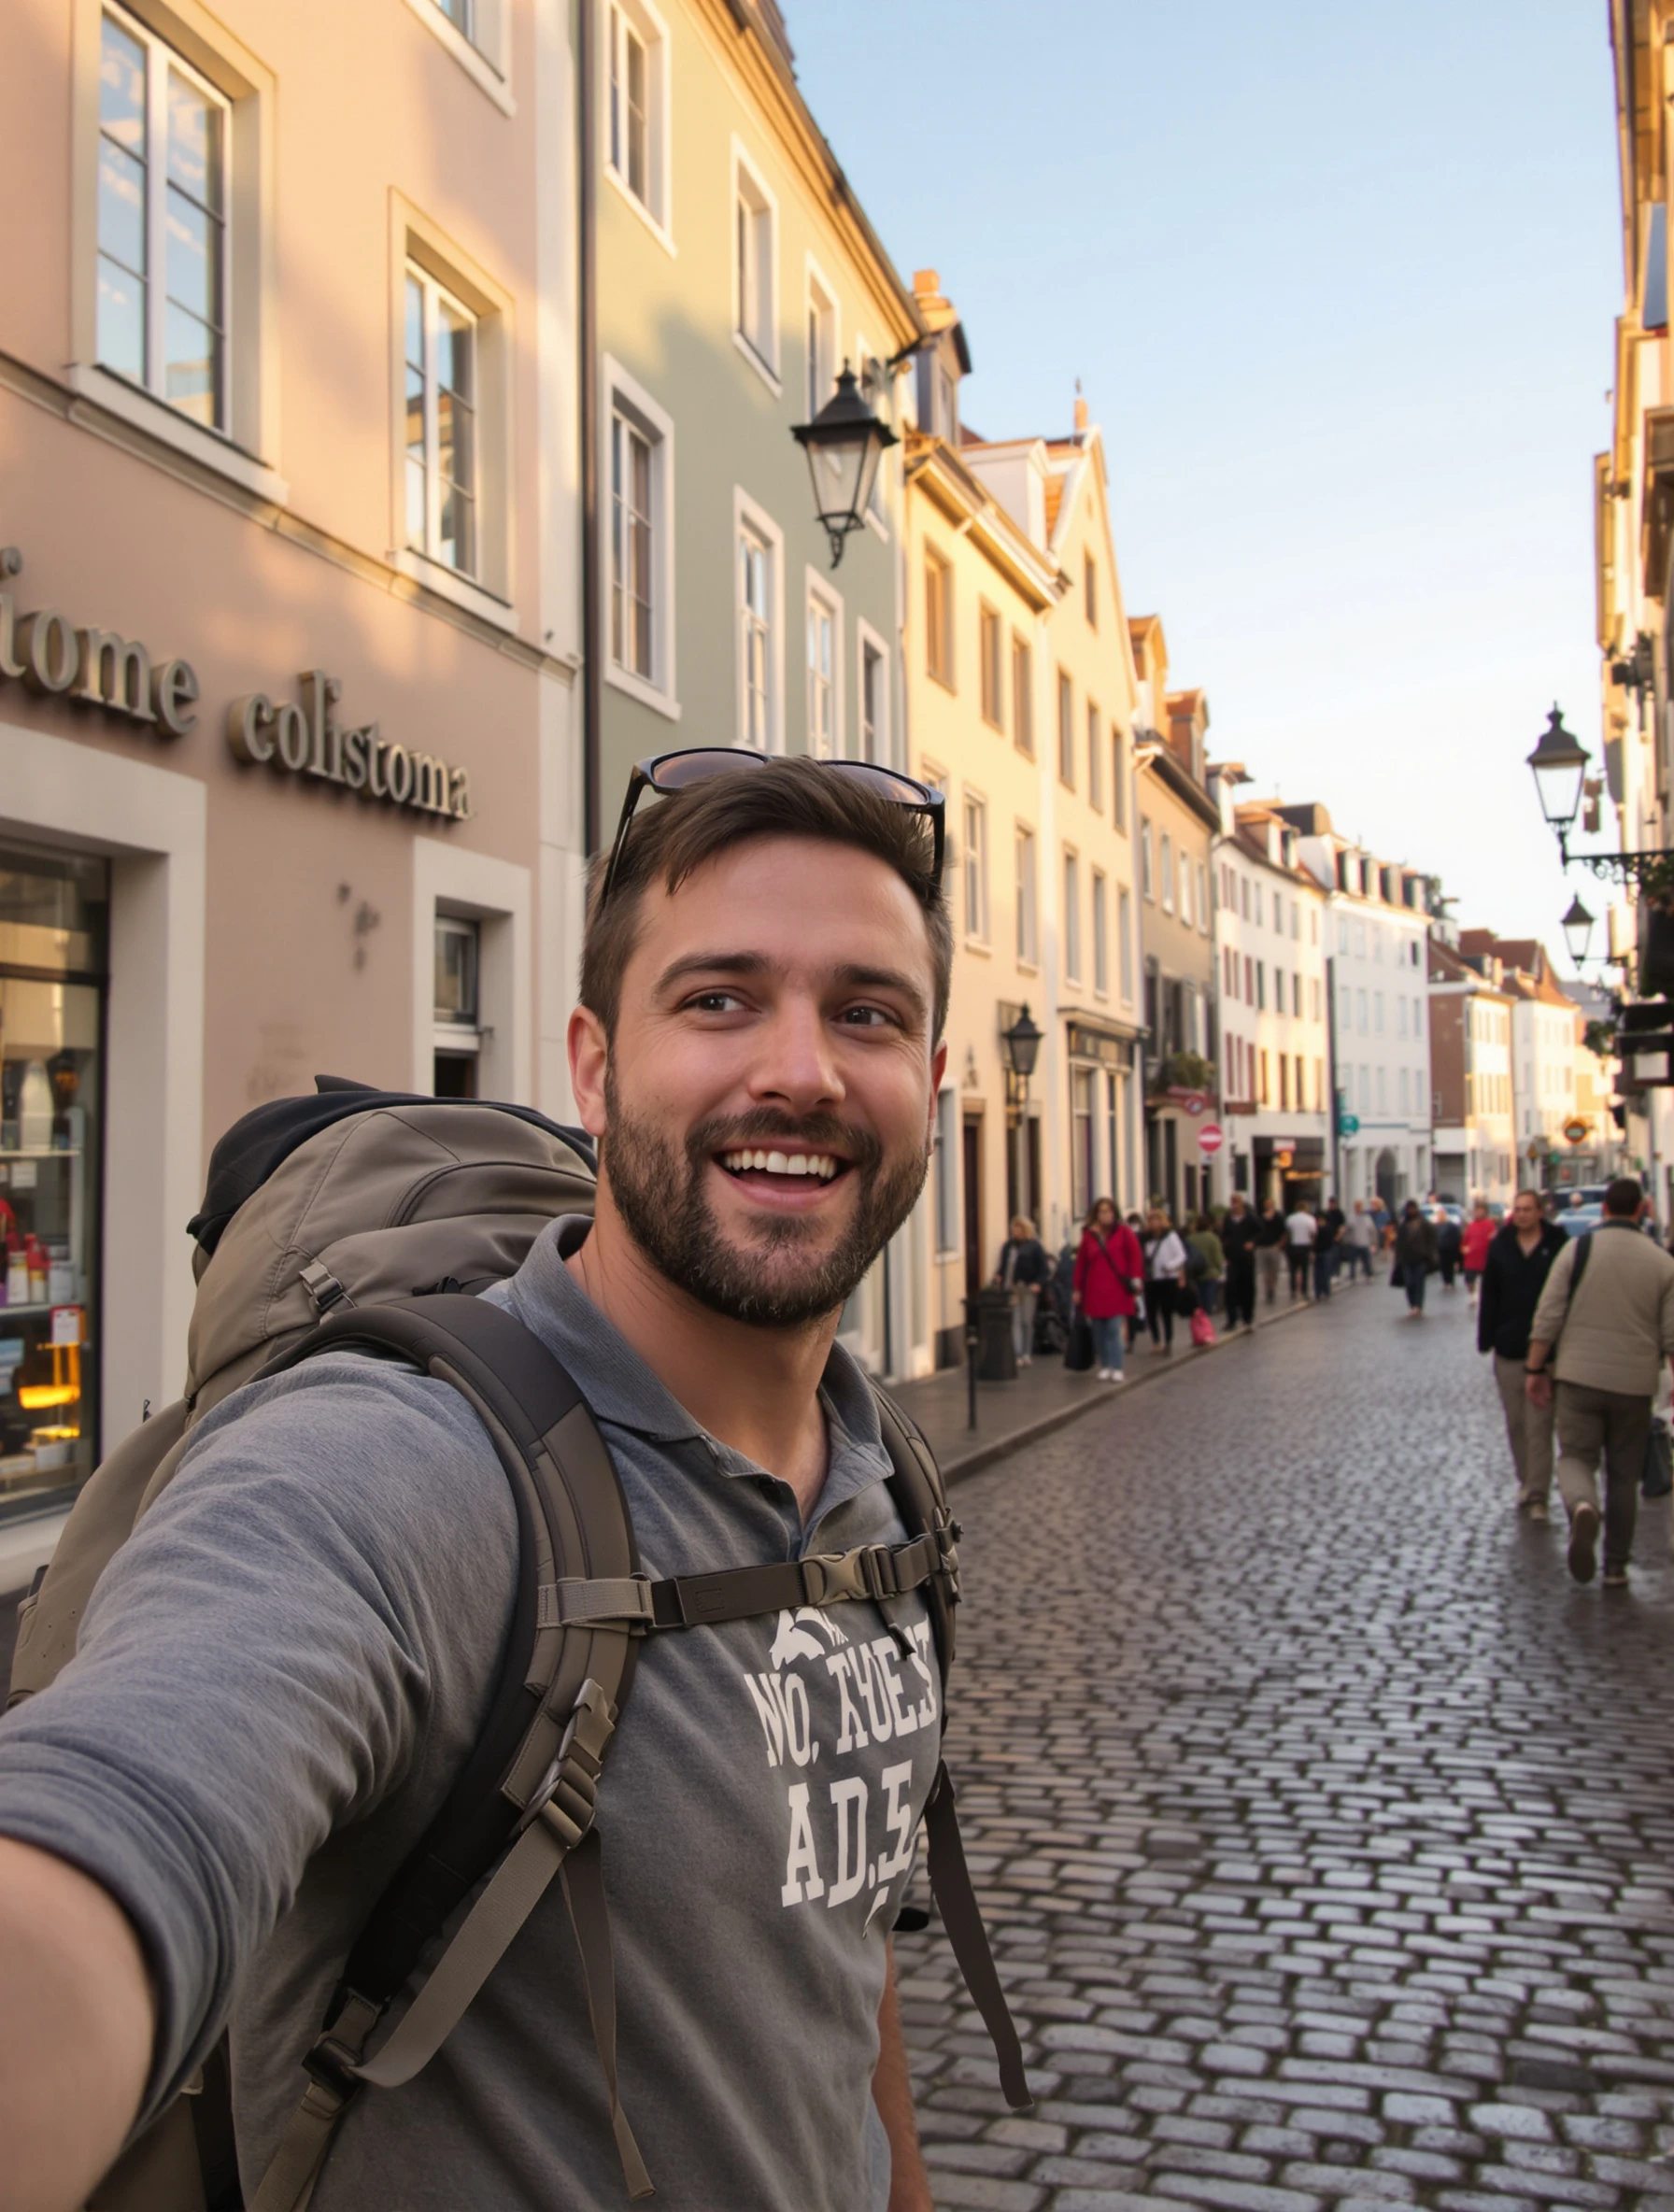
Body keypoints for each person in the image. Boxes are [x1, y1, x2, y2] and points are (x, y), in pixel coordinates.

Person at [0, 757, 955, 2212]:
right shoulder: (407, 1466)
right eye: (718, 1000)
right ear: (591, 1064)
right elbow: (128, 1807)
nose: (802, 1071)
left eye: (867, 1014)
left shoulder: (884, 1488)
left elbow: (837, 1938)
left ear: (933, 1083)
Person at [1527, 1175, 1674, 1589]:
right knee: (1626, 1476)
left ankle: (1584, 1506)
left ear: (1604, 1209)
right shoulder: (1663, 1263)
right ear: (1641, 1211)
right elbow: (1672, 1336)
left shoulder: (1577, 1250)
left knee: (1574, 1456)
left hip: (1578, 1377)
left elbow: (1548, 1315)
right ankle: (1615, 1567)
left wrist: (1536, 1370)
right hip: (1634, 1384)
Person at [1477, 1189, 1568, 1522]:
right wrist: (1486, 1338)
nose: (1522, 1215)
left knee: (1540, 1424)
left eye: (1528, 1209)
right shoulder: (1501, 1247)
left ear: (1541, 1212)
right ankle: (1526, 1481)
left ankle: (1537, 1495)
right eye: (1517, 1209)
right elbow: (1490, 1295)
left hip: (1548, 1351)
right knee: (1516, 1422)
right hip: (1510, 1347)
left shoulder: (1557, 1246)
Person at [1071, 1197, 1143, 1382]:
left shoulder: (1124, 1233)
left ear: (1114, 1213)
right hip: (1094, 1289)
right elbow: (1081, 1263)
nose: (1105, 1215)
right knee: (1099, 1332)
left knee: (1113, 1330)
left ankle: (1117, 1366)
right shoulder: (1089, 1236)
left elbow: (1135, 1256)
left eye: (1108, 1211)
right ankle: (1105, 1365)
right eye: (1101, 1212)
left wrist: (1136, 1279)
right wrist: (1077, 1288)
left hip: (1117, 1289)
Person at [994, 1214, 1050, 1368]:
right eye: (1014, 1228)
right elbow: (1003, 1265)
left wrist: (1038, 1283)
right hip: (1012, 1288)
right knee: (1016, 1320)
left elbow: (1043, 1269)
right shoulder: (1009, 1246)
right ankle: (1017, 1353)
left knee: (1027, 1321)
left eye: (1019, 1228)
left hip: (1027, 1288)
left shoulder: (1034, 1246)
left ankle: (1027, 1352)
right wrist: (999, 1276)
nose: (1016, 1231)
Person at [1142, 1208, 1189, 1354]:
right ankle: (1156, 1341)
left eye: (1156, 1220)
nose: (1153, 1224)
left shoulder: (1170, 1237)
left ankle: (1168, 1341)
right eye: (1150, 1221)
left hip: (1167, 1279)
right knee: (1151, 1312)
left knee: (1166, 1312)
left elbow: (1181, 1256)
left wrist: (1170, 1266)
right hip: (1151, 1279)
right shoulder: (1146, 1239)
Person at [1220, 1193, 1260, 1330]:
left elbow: (1260, 1233)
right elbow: (1224, 1235)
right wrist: (1225, 1249)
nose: (1234, 1206)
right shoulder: (1228, 1219)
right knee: (1230, 1288)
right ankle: (1231, 1319)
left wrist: (1252, 1242)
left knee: (1247, 1288)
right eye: (1233, 1203)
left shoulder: (1250, 1219)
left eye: (1237, 1203)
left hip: (1247, 1259)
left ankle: (1247, 1317)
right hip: (1232, 1258)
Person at [1393, 1198, 1438, 1315]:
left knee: (1419, 1283)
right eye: (1409, 1209)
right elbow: (1399, 1243)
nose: (1411, 1211)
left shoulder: (1424, 1224)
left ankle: (1418, 1305)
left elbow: (1432, 1239)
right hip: (1406, 1259)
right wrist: (1397, 1258)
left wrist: (1429, 1253)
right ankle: (1412, 1304)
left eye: (1413, 1208)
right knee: (1409, 1283)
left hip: (1421, 1259)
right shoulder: (1403, 1225)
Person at [1186, 1213, 1226, 1318]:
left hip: (1195, 1273)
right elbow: (1218, 1257)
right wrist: (1222, 1269)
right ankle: (1205, 1320)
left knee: (1199, 1298)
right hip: (1211, 1273)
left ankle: (1200, 1317)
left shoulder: (1190, 1238)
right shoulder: (1213, 1238)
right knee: (1208, 1299)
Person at [1461, 1198, 1495, 1304]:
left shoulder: (1489, 1224)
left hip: (1484, 1257)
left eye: (1481, 1210)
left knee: (1486, 1281)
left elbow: (1494, 1238)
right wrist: (1464, 1249)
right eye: (1477, 1210)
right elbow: (1464, 1241)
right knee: (1469, 1281)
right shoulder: (1470, 1225)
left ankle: (1483, 1297)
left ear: (1484, 1212)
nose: (1478, 1213)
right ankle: (1472, 1295)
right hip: (1471, 1259)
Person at [1284, 1198, 1316, 1300]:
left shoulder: (1290, 1218)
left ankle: (1293, 1290)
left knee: (1293, 1270)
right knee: (1305, 1270)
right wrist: (1312, 1248)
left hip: (1293, 1246)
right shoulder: (1310, 1219)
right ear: (1306, 1208)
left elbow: (1287, 1233)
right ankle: (1304, 1291)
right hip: (1305, 1246)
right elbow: (1313, 1234)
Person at [1256, 1198, 1286, 1307]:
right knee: (1265, 1272)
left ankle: (1272, 1288)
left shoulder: (1278, 1217)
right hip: (1261, 1248)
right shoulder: (1259, 1218)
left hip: (1274, 1247)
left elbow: (1284, 1232)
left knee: (1274, 1271)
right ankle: (1268, 1290)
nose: (1268, 1206)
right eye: (1267, 1205)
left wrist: (1280, 1244)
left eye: (1270, 1205)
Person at [1314, 1196, 1345, 1300]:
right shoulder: (1326, 1217)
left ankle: (1331, 1281)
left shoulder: (1338, 1214)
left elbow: (1342, 1226)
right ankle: (1319, 1291)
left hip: (1329, 1247)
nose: (1331, 1205)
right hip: (1320, 1250)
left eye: (1332, 1203)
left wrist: (1338, 1237)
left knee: (1332, 1262)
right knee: (1319, 1272)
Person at [1341, 1200, 1377, 1282]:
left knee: (1366, 1260)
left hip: (1364, 1243)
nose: (1358, 1208)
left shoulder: (1366, 1218)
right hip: (1354, 1243)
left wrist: (1373, 1242)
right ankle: (1352, 1276)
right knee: (1352, 1261)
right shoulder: (1351, 1217)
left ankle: (1369, 1274)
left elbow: (1372, 1230)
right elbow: (1346, 1229)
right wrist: (1346, 1239)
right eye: (1356, 1207)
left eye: (1359, 1207)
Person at [1434, 1206, 1463, 1290]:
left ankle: (1450, 1281)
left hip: (1450, 1249)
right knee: (1443, 1266)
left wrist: (1456, 1249)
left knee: (1449, 1266)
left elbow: (1457, 1237)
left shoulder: (1451, 1226)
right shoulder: (1436, 1227)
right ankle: (1446, 1281)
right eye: (1439, 1215)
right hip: (1441, 1249)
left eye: (1442, 1215)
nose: (1440, 1217)